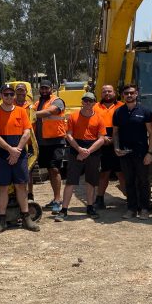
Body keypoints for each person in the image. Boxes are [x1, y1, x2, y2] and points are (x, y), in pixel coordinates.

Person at [0, 84, 41, 235]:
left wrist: (17, 150)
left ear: (14, 96)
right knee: (2, 187)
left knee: (21, 185)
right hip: (1, 154)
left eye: (11, 94)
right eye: (6, 94)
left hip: (19, 152)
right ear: (2, 96)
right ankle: (2, 221)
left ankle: (26, 218)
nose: (9, 97)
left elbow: (27, 132)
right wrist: (10, 150)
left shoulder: (22, 112)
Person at [55, 92, 106, 222]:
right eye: (85, 101)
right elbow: (69, 135)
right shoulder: (73, 116)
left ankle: (90, 207)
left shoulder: (99, 118)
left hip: (92, 150)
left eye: (90, 101)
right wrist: (79, 149)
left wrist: (88, 151)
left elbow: (101, 139)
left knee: (91, 181)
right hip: (76, 150)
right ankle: (64, 210)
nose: (88, 103)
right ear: (82, 102)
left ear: (95, 102)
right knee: (71, 181)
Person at [112, 84, 152, 220]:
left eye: (131, 93)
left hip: (141, 153)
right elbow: (115, 133)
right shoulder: (118, 112)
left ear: (136, 94)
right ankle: (131, 208)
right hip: (125, 153)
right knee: (129, 181)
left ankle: (144, 209)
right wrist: (116, 148)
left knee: (143, 181)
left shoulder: (145, 111)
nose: (129, 95)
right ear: (123, 95)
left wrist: (150, 153)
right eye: (126, 93)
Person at [33, 80, 67, 214]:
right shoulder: (37, 103)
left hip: (56, 141)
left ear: (52, 88)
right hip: (42, 143)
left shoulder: (57, 101)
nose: (44, 90)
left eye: (46, 88)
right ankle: (55, 199)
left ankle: (58, 200)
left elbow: (50, 112)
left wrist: (30, 114)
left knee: (54, 169)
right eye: (42, 88)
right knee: (49, 170)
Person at [93, 84, 126, 209]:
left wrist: (116, 140)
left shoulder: (122, 106)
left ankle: (131, 199)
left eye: (109, 91)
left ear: (115, 92)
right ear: (100, 94)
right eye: (104, 91)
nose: (107, 93)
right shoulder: (95, 106)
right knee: (104, 173)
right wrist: (102, 138)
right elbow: (91, 125)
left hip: (119, 143)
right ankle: (100, 199)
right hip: (101, 143)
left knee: (121, 173)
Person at [13, 82, 36, 200]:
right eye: (18, 90)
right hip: (14, 142)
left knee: (28, 170)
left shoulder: (31, 107)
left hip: (29, 144)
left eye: (22, 90)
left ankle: (29, 193)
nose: (20, 93)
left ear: (26, 92)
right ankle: (18, 195)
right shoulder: (10, 105)